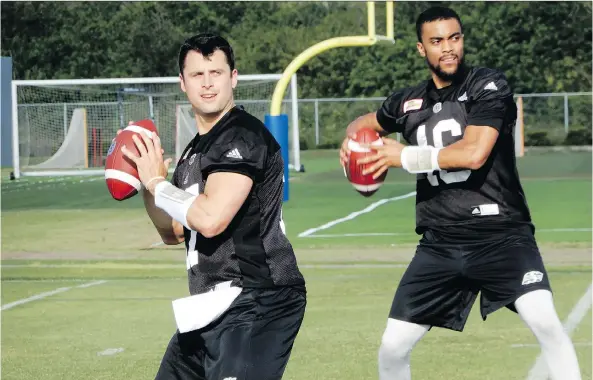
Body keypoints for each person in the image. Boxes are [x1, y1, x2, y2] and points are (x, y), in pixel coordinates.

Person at [340, 6, 582, 380]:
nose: (448, 48)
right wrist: (353, 142)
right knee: (392, 347)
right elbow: (364, 123)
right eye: (436, 41)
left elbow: (473, 154)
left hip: (501, 235)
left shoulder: (488, 85)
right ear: (422, 49)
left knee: (545, 322)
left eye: (454, 38)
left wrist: (402, 155)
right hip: (439, 243)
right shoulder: (407, 102)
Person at [121, 33, 307, 380]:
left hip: (257, 299)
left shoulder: (241, 136)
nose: (207, 84)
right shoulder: (194, 151)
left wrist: (157, 184)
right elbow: (173, 231)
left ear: (233, 77)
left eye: (216, 73)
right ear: (182, 83)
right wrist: (150, 186)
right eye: (197, 75)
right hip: (210, 306)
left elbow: (210, 220)